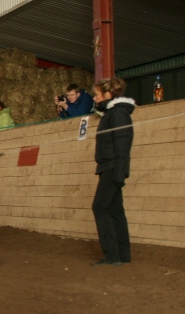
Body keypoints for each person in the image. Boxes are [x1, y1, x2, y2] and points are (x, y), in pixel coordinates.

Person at [91, 77, 136, 267]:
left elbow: (122, 144)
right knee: (115, 210)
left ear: (108, 94)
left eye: (98, 94)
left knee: (100, 207)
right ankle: (123, 255)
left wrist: (119, 172)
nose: (94, 98)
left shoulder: (118, 114)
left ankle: (112, 255)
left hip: (112, 167)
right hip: (109, 167)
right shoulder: (112, 114)